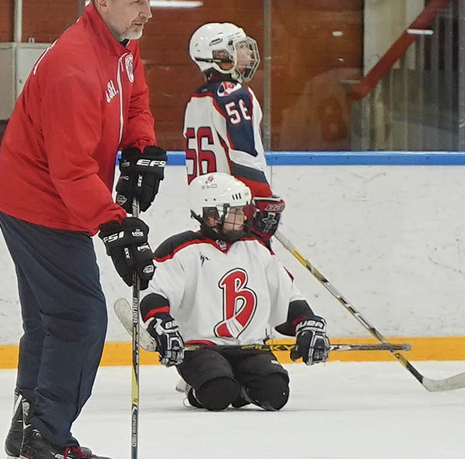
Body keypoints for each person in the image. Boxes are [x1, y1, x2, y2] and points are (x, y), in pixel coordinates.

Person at [0, 0, 171, 459]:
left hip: (50, 197)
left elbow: (135, 98)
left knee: (50, 321)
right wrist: (115, 226)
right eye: (137, 0)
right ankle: (46, 442)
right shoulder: (74, 67)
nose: (147, 12)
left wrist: (143, 147)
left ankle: (27, 439)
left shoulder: (120, 47)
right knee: (80, 317)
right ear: (102, 0)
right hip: (38, 202)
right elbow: (70, 171)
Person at [135, 172, 329, 411]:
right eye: (234, 211)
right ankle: (194, 386)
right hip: (200, 348)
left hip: (250, 347)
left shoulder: (256, 249)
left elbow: (287, 297)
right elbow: (156, 293)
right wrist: (160, 321)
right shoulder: (182, 248)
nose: (242, 217)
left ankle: (240, 392)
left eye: (241, 210)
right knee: (218, 393)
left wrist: (307, 324)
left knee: (275, 392)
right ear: (210, 215)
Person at [183, 22, 274, 198]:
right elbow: (245, 155)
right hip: (234, 202)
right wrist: (263, 197)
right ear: (221, 54)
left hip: (204, 200)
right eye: (240, 46)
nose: (248, 52)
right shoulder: (234, 94)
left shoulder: (196, 99)